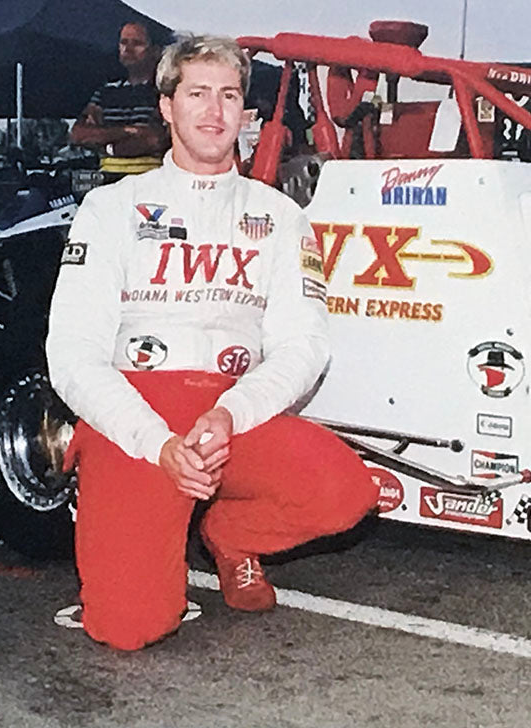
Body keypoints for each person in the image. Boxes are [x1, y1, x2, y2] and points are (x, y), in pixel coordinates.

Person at [46, 34, 379, 651]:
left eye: (230, 95)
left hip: (230, 413)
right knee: (130, 628)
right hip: (136, 417)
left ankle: (232, 535)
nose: (215, 111)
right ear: (166, 105)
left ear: (245, 110)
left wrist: (231, 414)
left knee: (346, 491)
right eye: (197, 93)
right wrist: (155, 443)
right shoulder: (109, 208)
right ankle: (148, 532)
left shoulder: (281, 218)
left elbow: (306, 345)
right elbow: (70, 356)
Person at [69, 22, 169, 177]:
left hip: (151, 177)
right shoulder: (106, 91)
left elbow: (156, 139)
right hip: (107, 178)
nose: (127, 49)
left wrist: (107, 145)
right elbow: (78, 134)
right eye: (123, 42)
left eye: (137, 43)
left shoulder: (165, 92)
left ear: (156, 51)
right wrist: (130, 131)